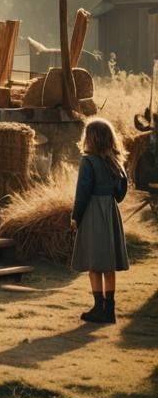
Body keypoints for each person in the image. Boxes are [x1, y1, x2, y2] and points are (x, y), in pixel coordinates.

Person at [71, 117, 129, 324]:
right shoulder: (116, 162)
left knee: (95, 264)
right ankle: (110, 310)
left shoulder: (88, 162)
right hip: (111, 212)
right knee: (108, 265)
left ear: (91, 139)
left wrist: (75, 216)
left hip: (93, 212)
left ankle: (98, 308)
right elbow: (121, 194)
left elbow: (82, 193)